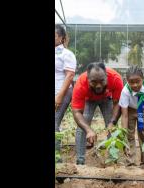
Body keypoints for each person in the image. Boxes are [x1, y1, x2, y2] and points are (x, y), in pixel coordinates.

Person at [72, 62, 123, 165]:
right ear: (88, 78)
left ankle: (113, 160)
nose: (98, 86)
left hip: (106, 98)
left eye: (102, 81)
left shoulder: (115, 78)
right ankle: (80, 161)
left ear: (106, 76)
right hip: (89, 99)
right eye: (94, 82)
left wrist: (112, 122)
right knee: (82, 127)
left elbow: (118, 103)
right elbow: (77, 112)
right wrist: (88, 130)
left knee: (112, 127)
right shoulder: (80, 84)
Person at [119, 65, 144, 168]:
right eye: (131, 82)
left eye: (138, 81)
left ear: (143, 79)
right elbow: (124, 115)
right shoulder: (125, 92)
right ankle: (130, 161)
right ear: (127, 81)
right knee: (129, 135)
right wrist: (123, 130)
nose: (135, 85)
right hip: (130, 111)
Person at [55, 24, 77, 152]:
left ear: (61, 37)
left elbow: (69, 76)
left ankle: (56, 160)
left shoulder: (66, 54)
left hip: (61, 92)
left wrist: (59, 96)